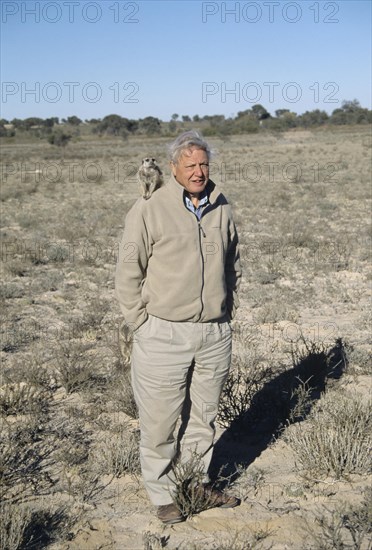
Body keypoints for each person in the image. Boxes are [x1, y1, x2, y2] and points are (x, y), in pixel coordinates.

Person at [115, 130, 242, 524]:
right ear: (173, 169)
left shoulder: (222, 208)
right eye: (190, 165)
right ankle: (163, 493)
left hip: (214, 333)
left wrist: (225, 312)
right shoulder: (148, 209)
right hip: (162, 332)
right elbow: (127, 271)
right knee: (161, 420)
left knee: (204, 416)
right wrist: (140, 323)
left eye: (203, 164)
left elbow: (232, 264)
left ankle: (195, 480)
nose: (198, 171)